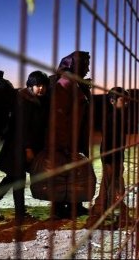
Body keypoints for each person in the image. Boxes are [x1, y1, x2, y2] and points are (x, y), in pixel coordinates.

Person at [0, 70, 50, 223]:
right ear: (30, 86)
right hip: (18, 147)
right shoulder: (24, 101)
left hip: (22, 146)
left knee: (12, 178)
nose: (41, 89)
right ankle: (19, 214)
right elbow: (22, 127)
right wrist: (27, 148)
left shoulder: (39, 101)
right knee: (17, 178)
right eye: (37, 85)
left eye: (43, 85)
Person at [50, 51, 92, 219]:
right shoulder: (66, 83)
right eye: (85, 65)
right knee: (64, 173)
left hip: (77, 137)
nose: (88, 69)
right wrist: (63, 143)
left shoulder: (75, 82)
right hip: (68, 139)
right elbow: (59, 116)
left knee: (78, 171)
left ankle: (76, 205)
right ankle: (60, 208)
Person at [86, 87, 130, 228]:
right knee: (107, 184)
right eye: (123, 100)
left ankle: (118, 211)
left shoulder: (120, 116)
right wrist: (110, 160)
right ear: (112, 101)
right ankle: (98, 213)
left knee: (117, 184)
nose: (126, 104)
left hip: (117, 156)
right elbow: (109, 142)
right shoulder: (111, 118)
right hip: (111, 157)